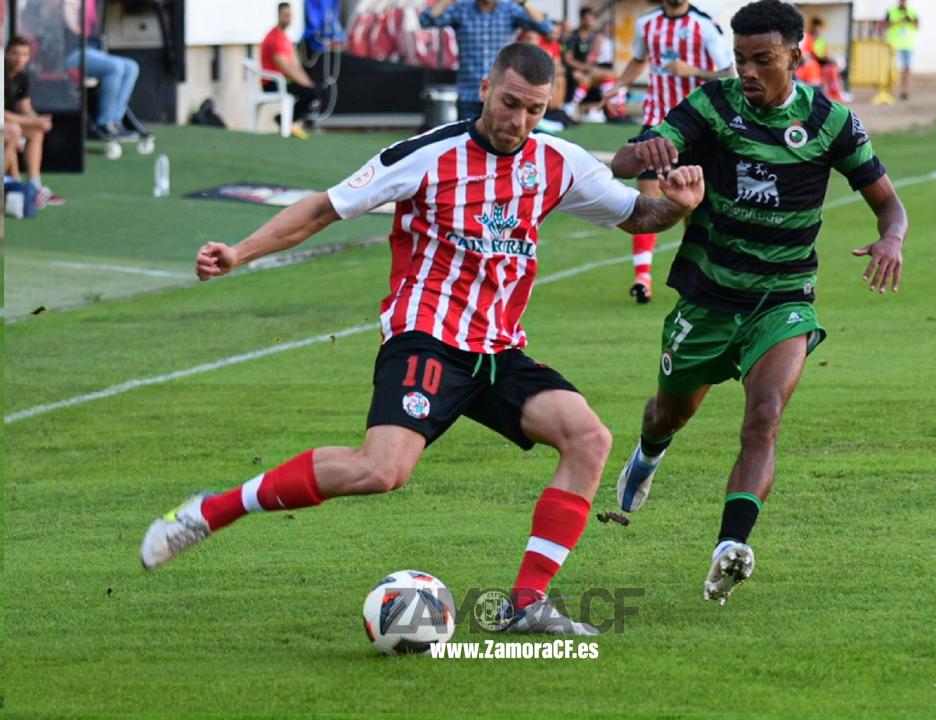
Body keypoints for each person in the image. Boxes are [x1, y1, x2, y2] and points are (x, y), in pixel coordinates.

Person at [139, 43, 706, 635]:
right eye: (510, 103)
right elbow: (323, 210)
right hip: (427, 339)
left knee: (589, 438)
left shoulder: (559, 162)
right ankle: (210, 511)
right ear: (485, 88)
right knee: (381, 472)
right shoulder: (427, 156)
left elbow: (637, 215)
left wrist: (676, 205)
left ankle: (524, 604)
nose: (518, 120)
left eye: (534, 110)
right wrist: (240, 253)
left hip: (498, 351)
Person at [611, 0, 908, 606]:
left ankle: (730, 548)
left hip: (784, 298)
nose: (747, 70)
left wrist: (891, 238)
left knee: (764, 415)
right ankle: (646, 456)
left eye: (762, 59)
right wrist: (651, 153)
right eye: (740, 58)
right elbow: (628, 157)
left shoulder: (832, 123)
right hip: (710, 294)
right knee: (668, 415)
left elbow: (888, 203)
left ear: (796, 56)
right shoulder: (713, 106)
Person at [601, 0, 733, 305]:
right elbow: (638, 59)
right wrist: (617, 86)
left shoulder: (703, 25)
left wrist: (695, 71)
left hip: (696, 129)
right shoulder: (646, 24)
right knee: (646, 198)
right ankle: (642, 278)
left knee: (694, 206)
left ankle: (695, 274)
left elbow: (728, 74)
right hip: (655, 124)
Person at [420, 0, 552, 120]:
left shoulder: (510, 9)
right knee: (469, 142)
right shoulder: (462, 8)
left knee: (502, 143)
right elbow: (426, 20)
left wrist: (524, 2)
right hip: (469, 94)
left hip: (503, 95)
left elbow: (545, 27)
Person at [63, 0, 140, 141]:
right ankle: (104, 123)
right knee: (114, 67)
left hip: (89, 49)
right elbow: (71, 27)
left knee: (131, 67)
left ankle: (116, 120)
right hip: (67, 52)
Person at [4, 37, 64, 207]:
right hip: (6, 124)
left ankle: (34, 186)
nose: (19, 58)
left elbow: (25, 107)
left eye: (24, 54)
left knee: (35, 131)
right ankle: (12, 184)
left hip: (8, 124)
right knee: (14, 131)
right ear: (6, 54)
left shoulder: (22, 77)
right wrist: (31, 122)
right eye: (15, 53)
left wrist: (38, 120)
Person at [261, 2, 323, 139]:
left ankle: (286, 120)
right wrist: (306, 85)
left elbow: (296, 66)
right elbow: (286, 68)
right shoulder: (274, 39)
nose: (288, 18)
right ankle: (286, 121)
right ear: (278, 15)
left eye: (290, 15)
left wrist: (309, 83)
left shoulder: (286, 38)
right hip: (271, 83)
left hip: (284, 81)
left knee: (314, 91)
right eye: (285, 15)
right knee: (309, 92)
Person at [561, 7, 616, 123]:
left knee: (611, 75)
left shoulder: (592, 37)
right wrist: (585, 67)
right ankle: (570, 108)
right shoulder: (573, 36)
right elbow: (568, 60)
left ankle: (608, 108)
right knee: (584, 79)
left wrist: (593, 62)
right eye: (587, 18)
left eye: (592, 19)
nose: (590, 21)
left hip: (587, 69)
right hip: (572, 70)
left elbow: (593, 56)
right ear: (581, 19)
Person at [796, 17, 851, 103]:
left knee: (833, 68)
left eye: (820, 28)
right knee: (831, 69)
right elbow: (814, 54)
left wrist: (830, 59)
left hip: (820, 61)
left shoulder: (820, 40)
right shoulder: (808, 38)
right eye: (818, 27)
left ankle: (837, 92)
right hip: (814, 63)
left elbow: (824, 52)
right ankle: (834, 93)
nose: (819, 30)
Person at [883, 0, 919, 101]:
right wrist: (897, 21)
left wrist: (910, 20)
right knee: (891, 70)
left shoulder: (912, 12)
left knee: (907, 70)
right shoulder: (891, 11)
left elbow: (918, 26)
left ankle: (905, 92)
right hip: (894, 45)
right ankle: (888, 92)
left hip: (908, 45)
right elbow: (885, 26)